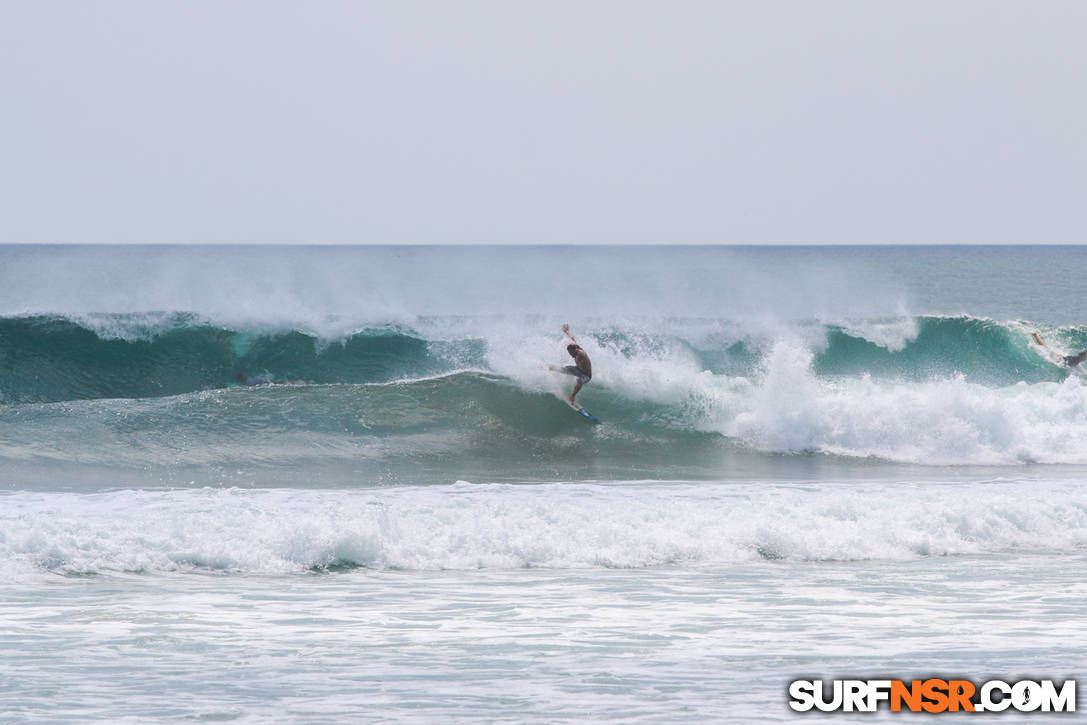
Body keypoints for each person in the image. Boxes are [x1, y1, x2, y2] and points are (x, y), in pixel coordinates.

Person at [560, 324, 592, 403]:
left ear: (575, 350)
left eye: (571, 353)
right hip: (578, 370)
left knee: (579, 381)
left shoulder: (581, 354)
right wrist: (567, 331)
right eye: (569, 353)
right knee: (562, 369)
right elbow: (573, 339)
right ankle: (547, 368)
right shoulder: (575, 347)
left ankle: (572, 397)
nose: (571, 355)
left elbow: (581, 356)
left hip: (586, 375)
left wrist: (580, 360)